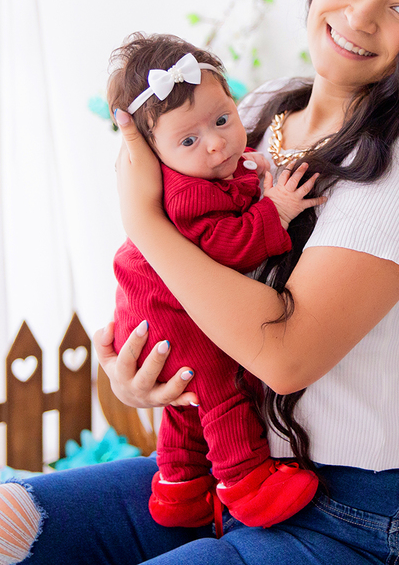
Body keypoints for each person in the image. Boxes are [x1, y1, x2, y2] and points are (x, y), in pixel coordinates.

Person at [0, 0, 399, 565]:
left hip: (357, 517)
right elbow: (195, 299)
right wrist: (141, 377)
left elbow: (286, 355)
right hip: (237, 469)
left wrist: (142, 220)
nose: (361, 15)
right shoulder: (256, 111)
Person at [105, 35, 324, 530]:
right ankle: (247, 482)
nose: (216, 142)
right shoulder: (183, 195)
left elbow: (233, 181)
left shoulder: (210, 169)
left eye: (223, 119)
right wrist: (278, 209)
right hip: (167, 315)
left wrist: (252, 175)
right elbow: (227, 245)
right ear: (153, 154)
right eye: (188, 140)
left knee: (186, 408)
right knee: (219, 388)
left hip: (157, 311)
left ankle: (180, 487)